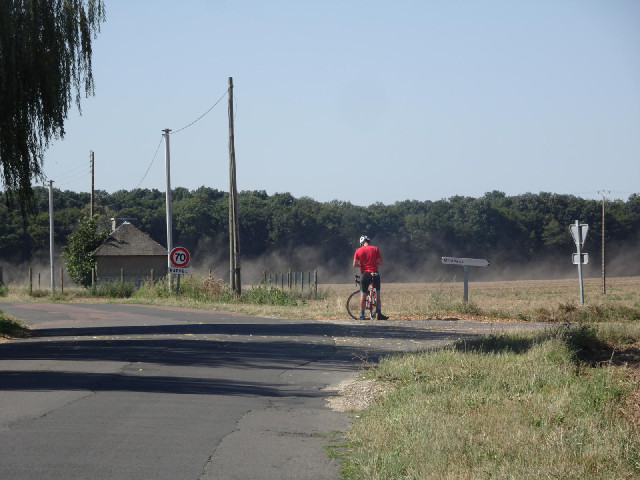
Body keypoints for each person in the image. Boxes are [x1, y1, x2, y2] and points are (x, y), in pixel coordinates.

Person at [353, 235, 389, 320]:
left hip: (364, 274)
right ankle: (379, 314)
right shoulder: (375, 249)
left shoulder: (358, 250)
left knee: (363, 295)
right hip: (374, 273)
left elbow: (354, 264)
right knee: (378, 294)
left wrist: (362, 265)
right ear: (369, 242)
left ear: (361, 243)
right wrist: (374, 264)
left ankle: (362, 315)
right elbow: (380, 262)